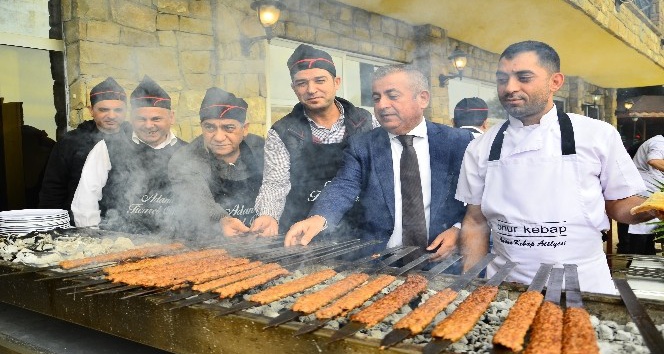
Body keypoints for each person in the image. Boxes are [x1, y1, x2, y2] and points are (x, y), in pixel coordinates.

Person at [454, 40, 655, 294]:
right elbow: (475, 221)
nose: (509, 88)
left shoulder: (597, 135)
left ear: (555, 82)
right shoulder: (481, 147)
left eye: (523, 77)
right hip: (507, 287)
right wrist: (470, 283)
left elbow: (618, 203)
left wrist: (650, 210)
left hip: (585, 285)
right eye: (502, 79)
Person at [284, 64, 473, 262]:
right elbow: (343, 186)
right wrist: (319, 218)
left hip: (442, 261)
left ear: (422, 98)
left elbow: (481, 201)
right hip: (380, 262)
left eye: (392, 95)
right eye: (376, 98)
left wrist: (459, 229)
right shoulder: (362, 145)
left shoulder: (458, 142)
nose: (382, 105)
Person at [250, 44, 377, 237]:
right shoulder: (282, 132)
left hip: (362, 228)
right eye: (301, 83)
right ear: (294, 88)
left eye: (320, 80)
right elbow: (275, 183)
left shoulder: (366, 122)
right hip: (302, 230)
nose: (311, 89)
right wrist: (269, 215)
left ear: (336, 82)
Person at [71, 75, 186, 234]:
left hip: (176, 245)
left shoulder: (188, 152)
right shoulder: (107, 147)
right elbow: (85, 201)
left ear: (171, 117)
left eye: (156, 118)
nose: (148, 125)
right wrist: (94, 239)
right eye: (141, 119)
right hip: (121, 244)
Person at [168, 87, 264, 238]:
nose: (219, 137)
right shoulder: (185, 158)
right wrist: (221, 220)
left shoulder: (262, 149)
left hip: (258, 238)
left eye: (228, 128)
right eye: (210, 127)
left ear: (244, 129)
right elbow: (196, 199)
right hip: (206, 241)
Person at [39, 77, 129, 215]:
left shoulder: (136, 140)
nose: (112, 115)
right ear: (91, 110)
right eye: (104, 109)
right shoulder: (70, 142)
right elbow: (53, 189)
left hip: (128, 228)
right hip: (79, 227)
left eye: (118, 110)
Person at [621, 135, 664, 256]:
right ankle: (635, 262)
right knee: (641, 229)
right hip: (644, 193)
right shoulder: (659, 142)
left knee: (649, 230)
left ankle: (647, 259)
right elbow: (653, 160)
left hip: (652, 193)